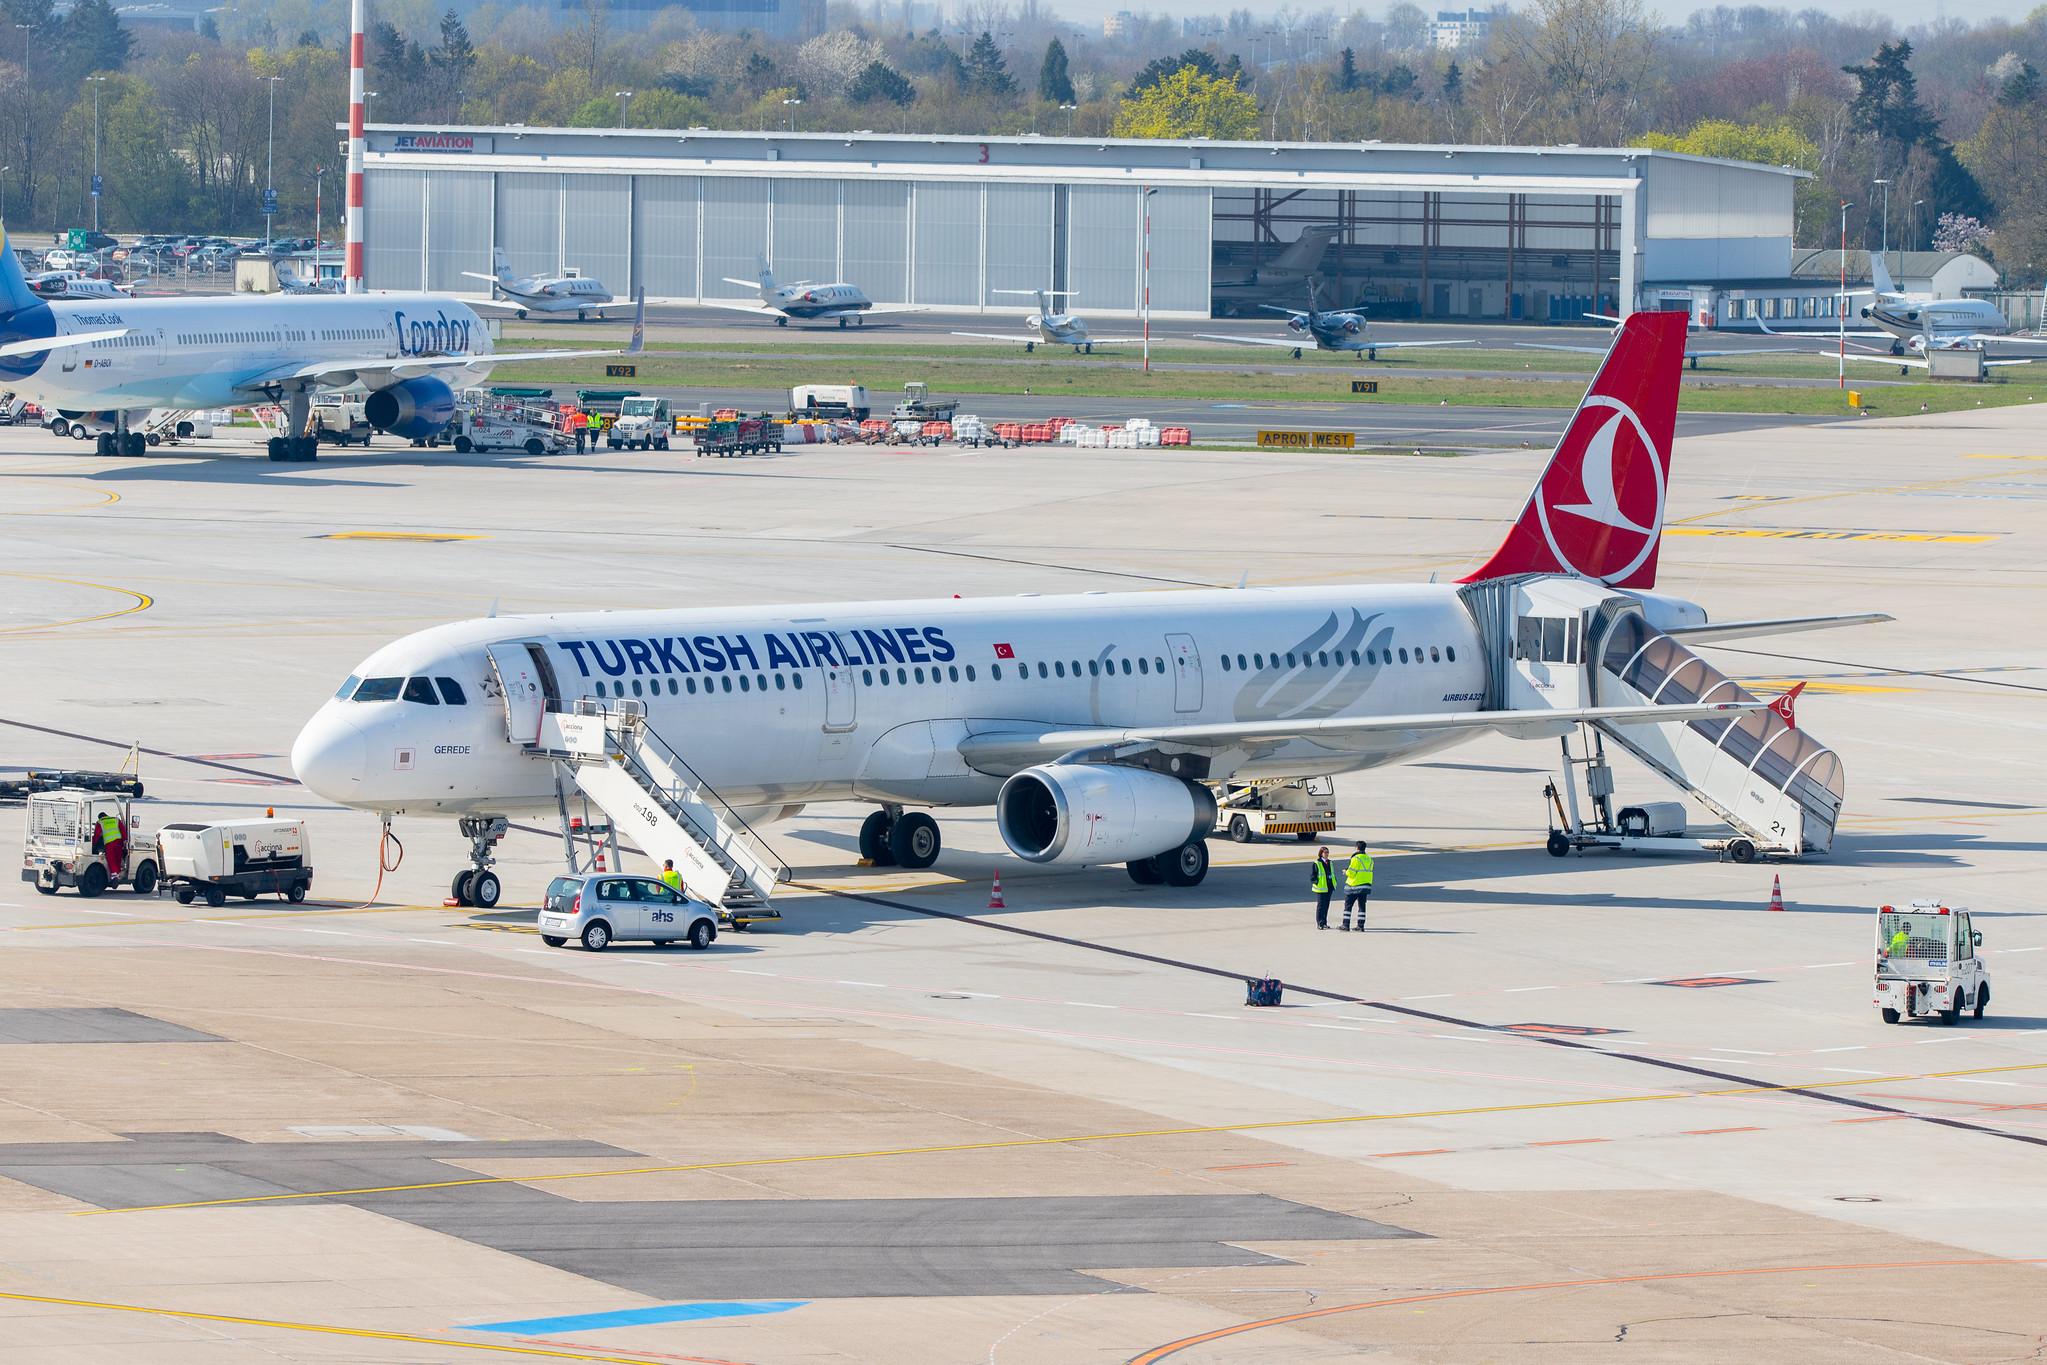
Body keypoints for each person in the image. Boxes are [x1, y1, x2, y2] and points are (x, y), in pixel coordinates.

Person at [1341, 840, 1373, 930]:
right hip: (1365, 886)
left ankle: (1345, 925)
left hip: (1354, 886)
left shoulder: (1356, 858)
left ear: (1357, 848)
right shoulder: (1370, 859)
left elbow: (1351, 873)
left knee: (1348, 906)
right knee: (1362, 906)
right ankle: (1360, 926)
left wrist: (1345, 872)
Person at [96, 807, 127, 880]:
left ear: (100, 817)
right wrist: (125, 841)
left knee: (111, 859)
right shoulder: (116, 820)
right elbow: (123, 831)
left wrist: (94, 844)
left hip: (109, 843)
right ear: (107, 815)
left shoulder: (100, 822)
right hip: (119, 842)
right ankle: (118, 873)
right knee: (118, 858)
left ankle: (114, 875)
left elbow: (96, 835)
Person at [1309, 846, 1334, 930]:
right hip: (1321, 888)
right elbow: (1313, 876)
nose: (1327, 854)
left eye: (1328, 852)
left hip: (1329, 887)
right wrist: (1317, 882)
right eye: (1325, 852)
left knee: (1326, 905)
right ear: (1321, 853)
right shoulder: (1317, 863)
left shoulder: (1330, 862)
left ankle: (1324, 922)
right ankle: (1319, 923)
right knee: (1320, 906)